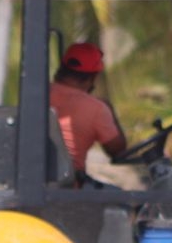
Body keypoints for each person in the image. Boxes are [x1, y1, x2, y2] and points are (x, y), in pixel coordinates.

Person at [50, 42, 127, 184]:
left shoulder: (38, 94)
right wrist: (109, 109)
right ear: (92, 77)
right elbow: (117, 150)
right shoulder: (97, 109)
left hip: (35, 183)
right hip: (69, 188)